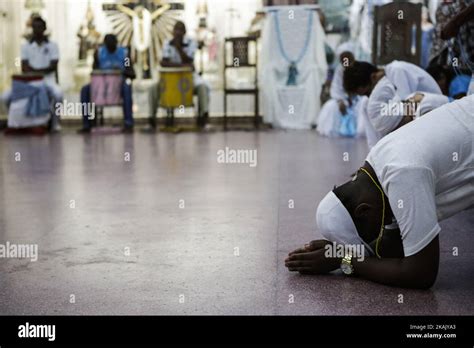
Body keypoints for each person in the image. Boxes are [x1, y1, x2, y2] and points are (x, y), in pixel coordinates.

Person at [285, 95, 474, 289]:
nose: (378, 239)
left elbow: (421, 273)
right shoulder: (378, 162)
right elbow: (393, 251)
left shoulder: (402, 173)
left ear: (363, 211)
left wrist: (345, 259)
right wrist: (336, 255)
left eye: (372, 237)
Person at [343, 60, 442, 147]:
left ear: (373, 77)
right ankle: (376, 150)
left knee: (386, 124)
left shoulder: (397, 70)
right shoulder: (386, 80)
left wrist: (390, 133)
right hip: (415, 111)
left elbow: (410, 106)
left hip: (433, 110)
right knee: (366, 105)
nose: (370, 96)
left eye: (367, 92)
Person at [145, 21, 210, 131]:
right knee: (153, 88)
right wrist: (182, 64)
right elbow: (163, 62)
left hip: (188, 77)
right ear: (172, 31)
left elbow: (189, 60)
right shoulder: (167, 42)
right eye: (176, 30)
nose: (178, 32)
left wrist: (179, 48)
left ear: (184, 32)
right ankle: (152, 120)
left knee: (203, 87)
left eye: (180, 30)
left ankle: (203, 118)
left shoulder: (191, 42)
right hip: (170, 78)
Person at [77, 34, 136, 133]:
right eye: (107, 45)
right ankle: (87, 124)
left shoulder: (124, 54)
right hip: (101, 86)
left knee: (127, 87)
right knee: (85, 90)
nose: (109, 47)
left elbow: (131, 72)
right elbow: (95, 71)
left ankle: (128, 123)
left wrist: (120, 71)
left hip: (118, 86)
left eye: (112, 44)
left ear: (116, 44)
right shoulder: (99, 53)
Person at [20, 16, 63, 132]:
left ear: (44, 28)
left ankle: (55, 123)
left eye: (40, 27)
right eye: (35, 27)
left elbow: (53, 66)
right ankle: (25, 124)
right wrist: (37, 72)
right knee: (6, 97)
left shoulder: (53, 45)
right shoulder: (25, 46)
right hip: (32, 80)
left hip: (49, 80)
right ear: (32, 29)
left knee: (58, 94)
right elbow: (24, 67)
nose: (37, 30)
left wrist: (36, 70)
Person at [317, 42, 364, 138]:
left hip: (358, 99)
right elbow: (336, 89)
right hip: (343, 99)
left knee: (363, 105)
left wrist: (353, 98)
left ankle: (360, 131)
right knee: (331, 107)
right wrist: (341, 101)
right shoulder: (339, 70)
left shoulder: (360, 68)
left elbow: (364, 87)